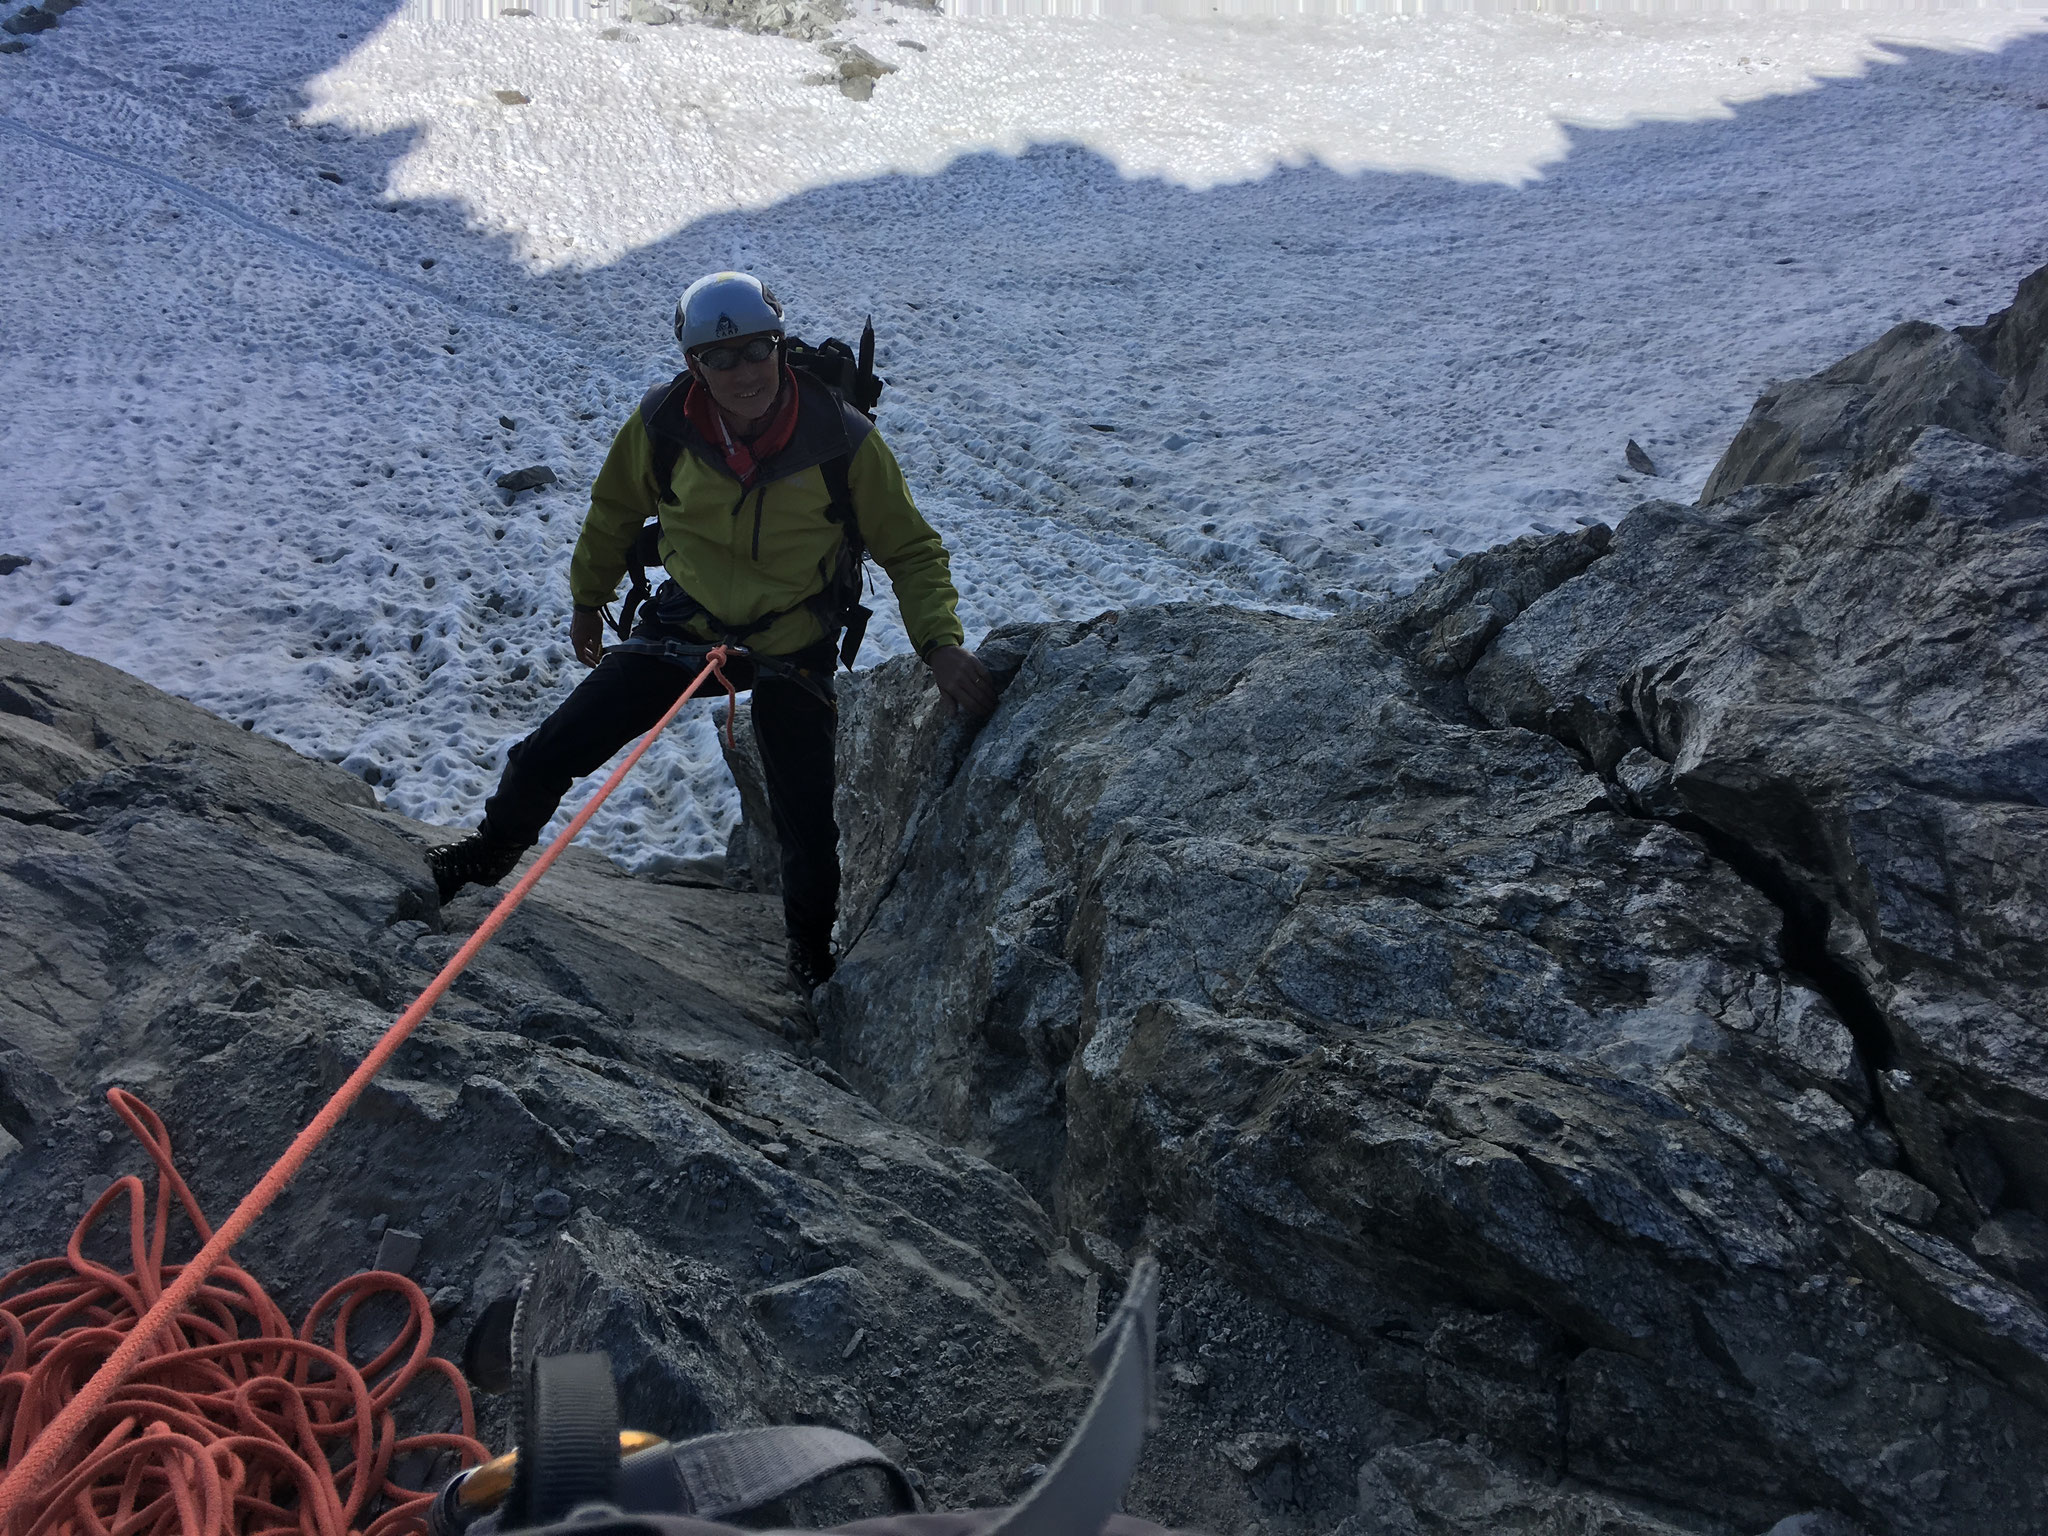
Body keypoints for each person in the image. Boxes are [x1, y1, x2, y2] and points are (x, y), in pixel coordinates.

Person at [428, 271, 996, 993]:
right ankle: (484, 858)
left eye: (756, 350)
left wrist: (940, 646)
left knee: (807, 827)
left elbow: (910, 549)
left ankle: (808, 957)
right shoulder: (663, 425)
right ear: (693, 363)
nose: (743, 371)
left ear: (780, 347)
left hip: (792, 639)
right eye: (719, 358)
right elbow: (612, 513)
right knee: (546, 754)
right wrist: (587, 600)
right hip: (686, 625)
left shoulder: (840, 439)